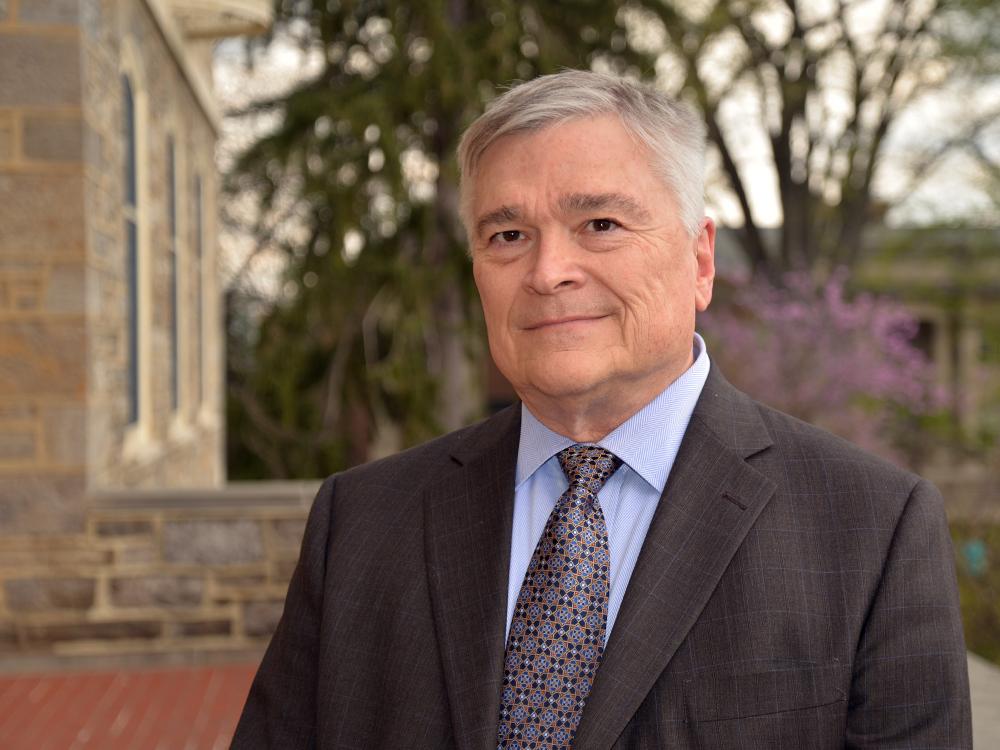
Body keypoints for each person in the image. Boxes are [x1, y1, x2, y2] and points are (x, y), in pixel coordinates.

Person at [233, 70, 972, 749]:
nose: (549, 272)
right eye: (508, 235)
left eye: (601, 225)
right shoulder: (360, 522)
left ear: (701, 262)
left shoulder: (872, 529)